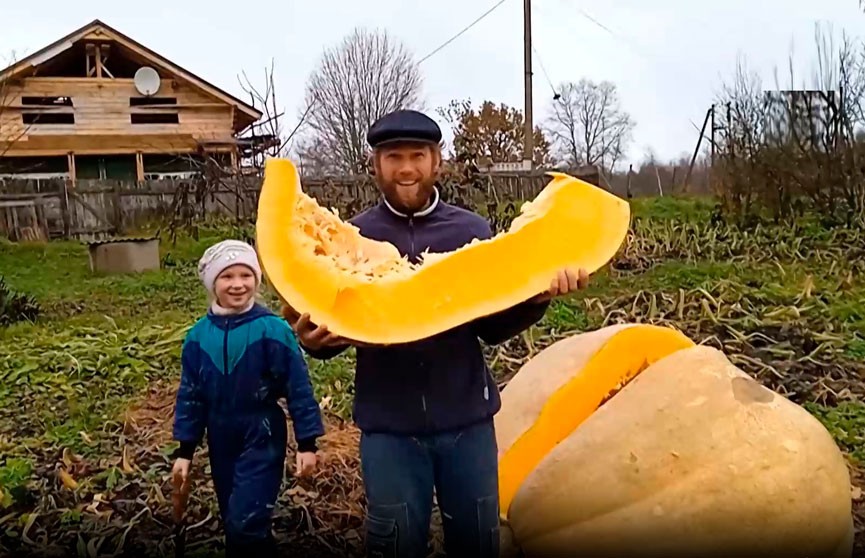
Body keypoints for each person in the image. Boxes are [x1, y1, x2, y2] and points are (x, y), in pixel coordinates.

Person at [283, 110, 589, 558]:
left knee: (477, 544)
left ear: (436, 162)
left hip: (467, 423)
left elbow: (491, 326)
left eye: (417, 156)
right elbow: (336, 326)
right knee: (394, 546)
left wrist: (537, 297)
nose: (406, 168)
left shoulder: (471, 232)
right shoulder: (351, 236)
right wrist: (313, 342)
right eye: (393, 157)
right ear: (376, 165)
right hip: (389, 429)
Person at [171, 239, 325, 557]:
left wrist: (307, 443)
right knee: (234, 520)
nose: (238, 284)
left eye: (246, 275)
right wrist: (185, 450)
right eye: (227, 277)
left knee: (246, 522)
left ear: (256, 279)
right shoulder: (198, 338)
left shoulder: (272, 330)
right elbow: (190, 396)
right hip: (220, 434)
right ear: (213, 283)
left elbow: (298, 388)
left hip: (262, 432)